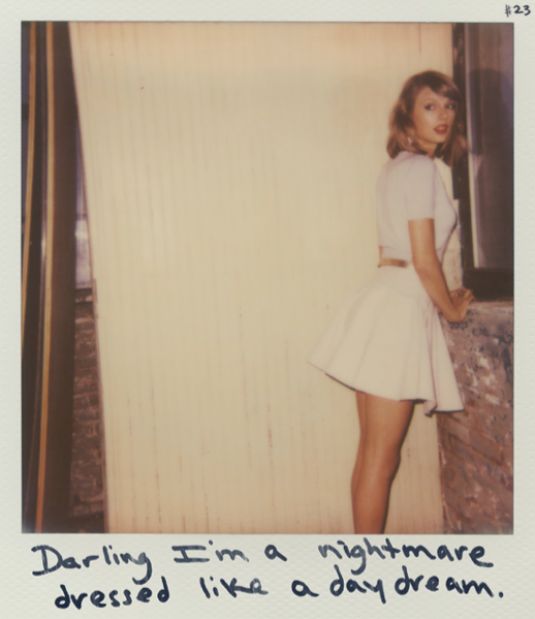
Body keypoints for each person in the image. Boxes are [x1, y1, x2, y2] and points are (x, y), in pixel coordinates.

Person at [309, 70, 474, 533]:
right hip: (399, 311)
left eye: (449, 106)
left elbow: (410, 254)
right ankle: (369, 566)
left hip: (387, 299)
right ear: (407, 115)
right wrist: (451, 310)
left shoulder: (397, 167)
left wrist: (442, 293)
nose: (443, 115)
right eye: (430, 106)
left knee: (372, 457)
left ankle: (362, 559)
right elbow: (423, 259)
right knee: (381, 460)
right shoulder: (420, 169)